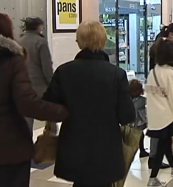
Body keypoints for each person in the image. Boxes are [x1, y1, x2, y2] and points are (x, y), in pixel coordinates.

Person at [42, 21, 136, 187]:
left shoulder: (64, 72)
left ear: (80, 41)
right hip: (106, 146)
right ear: (103, 40)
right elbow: (127, 115)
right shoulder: (116, 74)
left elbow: (48, 106)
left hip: (73, 142)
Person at [0, 12, 68, 187]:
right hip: (9, 147)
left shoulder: (20, 45)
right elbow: (28, 104)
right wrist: (63, 111)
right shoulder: (13, 59)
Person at [146, 38, 173, 187]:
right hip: (166, 116)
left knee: (166, 142)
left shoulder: (154, 71)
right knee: (163, 146)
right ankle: (153, 178)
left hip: (155, 116)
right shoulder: (170, 74)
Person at [18, 17, 58, 135]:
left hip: (24, 86)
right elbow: (46, 66)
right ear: (38, 27)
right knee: (50, 115)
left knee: (27, 120)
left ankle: (26, 146)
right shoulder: (41, 42)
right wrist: (52, 83)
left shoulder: (19, 41)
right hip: (40, 86)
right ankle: (51, 141)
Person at [129, 79, 149, 158]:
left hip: (131, 121)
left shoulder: (127, 99)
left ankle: (140, 150)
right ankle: (142, 150)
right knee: (141, 135)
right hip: (140, 121)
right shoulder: (142, 100)